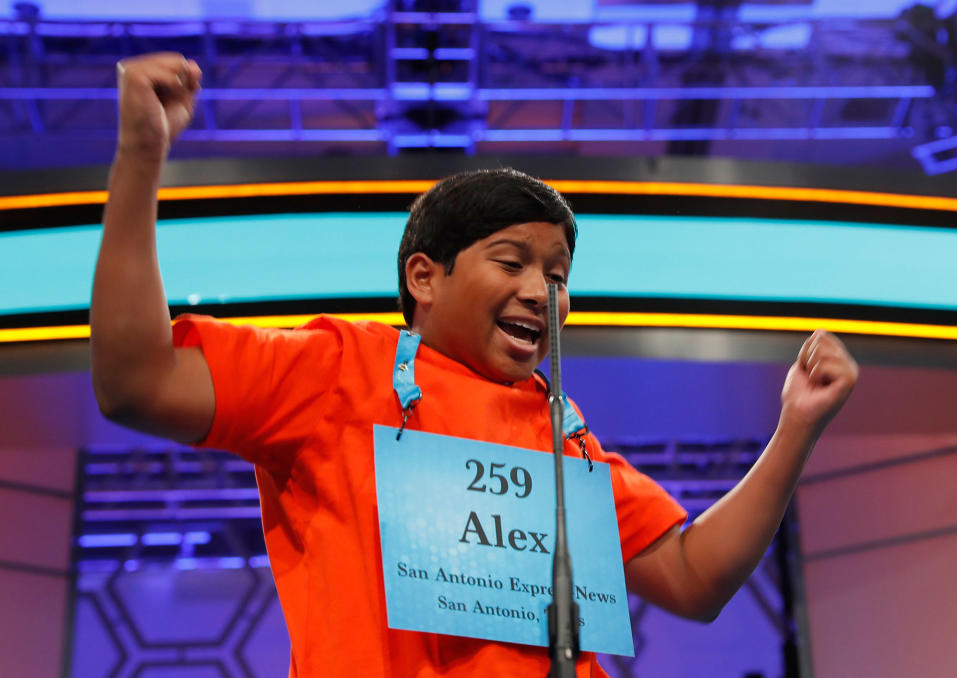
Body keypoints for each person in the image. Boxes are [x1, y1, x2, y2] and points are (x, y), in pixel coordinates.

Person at [91, 53, 859, 677]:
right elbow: (136, 381)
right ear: (426, 278)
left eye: (557, 274)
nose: (542, 292)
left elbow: (694, 578)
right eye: (512, 261)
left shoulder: (565, 438)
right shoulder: (336, 368)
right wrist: (139, 159)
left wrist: (795, 425)